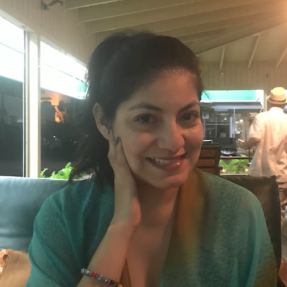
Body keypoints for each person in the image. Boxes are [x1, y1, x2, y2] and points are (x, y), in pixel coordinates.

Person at [26, 32, 277, 287]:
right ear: (104, 121)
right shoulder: (65, 217)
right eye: (146, 118)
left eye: (188, 116)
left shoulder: (238, 212)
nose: (174, 142)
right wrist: (120, 227)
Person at [240, 87, 287, 229]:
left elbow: (255, 137)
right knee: (279, 212)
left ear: (270, 102)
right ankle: (275, 247)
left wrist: (244, 145)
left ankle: (259, 246)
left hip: (260, 175)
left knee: (258, 212)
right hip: (282, 173)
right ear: (283, 103)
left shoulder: (262, 117)